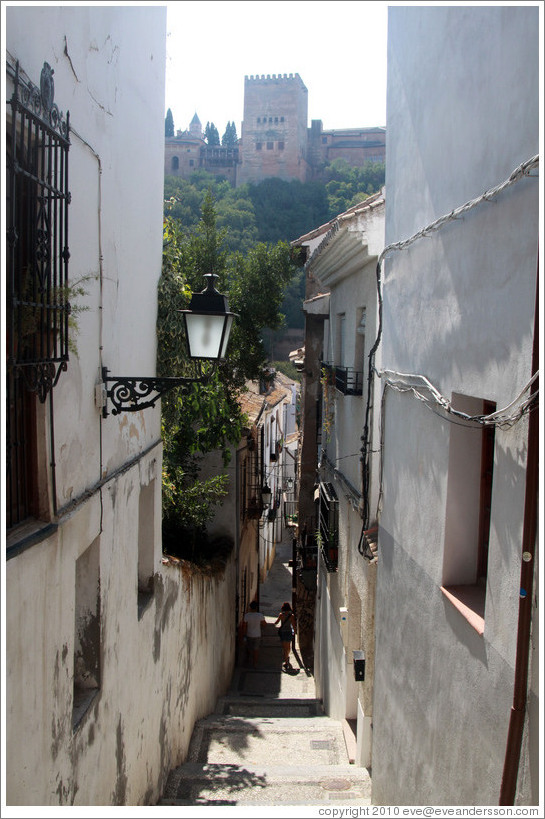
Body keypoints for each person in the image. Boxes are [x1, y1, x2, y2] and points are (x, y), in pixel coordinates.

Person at [242, 600, 267, 668]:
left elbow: (244, 626)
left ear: (250, 607)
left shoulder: (247, 616)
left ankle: (248, 660)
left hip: (249, 634)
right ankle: (255, 663)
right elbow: (264, 624)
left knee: (249, 648)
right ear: (256, 608)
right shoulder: (260, 615)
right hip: (257, 635)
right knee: (256, 649)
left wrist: (244, 635)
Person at [275, 601, 296, 670]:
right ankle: (287, 657)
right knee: (288, 646)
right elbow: (293, 625)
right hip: (289, 632)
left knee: (284, 648)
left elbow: (277, 622)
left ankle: (286, 661)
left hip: (283, 632)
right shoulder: (291, 616)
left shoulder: (281, 615)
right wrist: (295, 631)